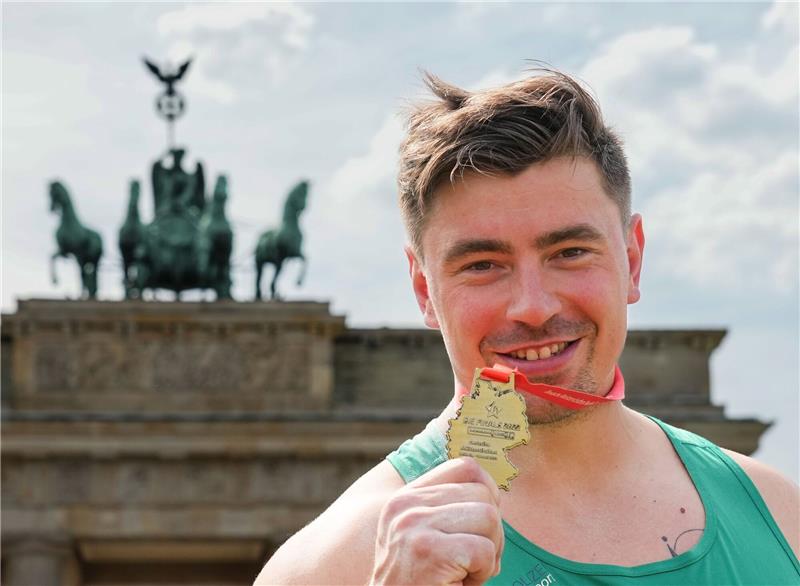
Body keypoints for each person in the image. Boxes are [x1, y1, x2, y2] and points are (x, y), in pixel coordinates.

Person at [256, 68, 799, 585]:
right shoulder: (330, 567)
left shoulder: (782, 518)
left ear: (631, 261)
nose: (533, 307)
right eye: (482, 265)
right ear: (425, 291)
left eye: (569, 252)